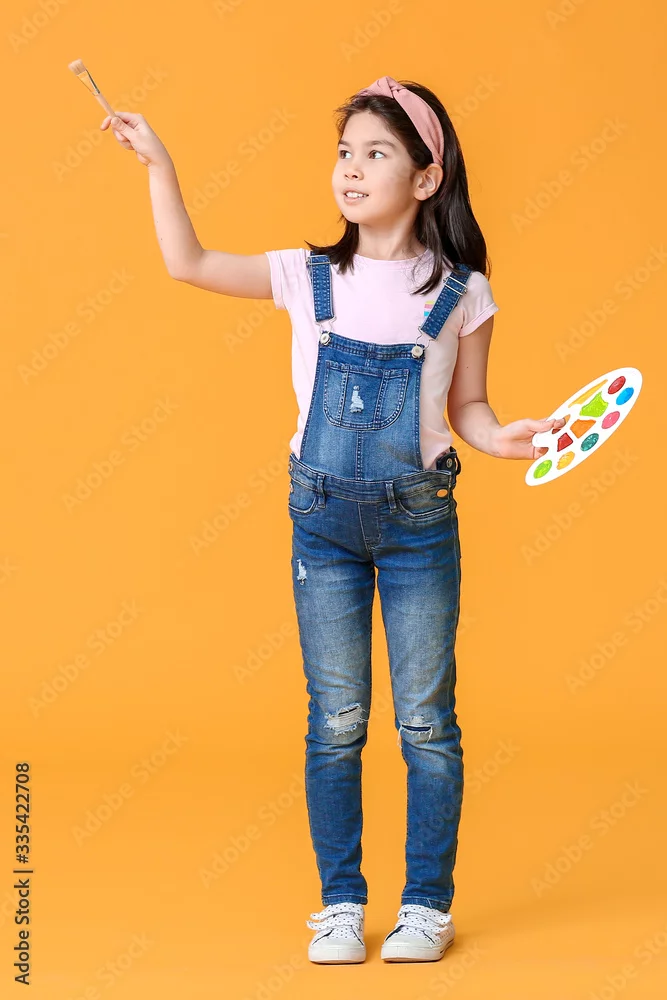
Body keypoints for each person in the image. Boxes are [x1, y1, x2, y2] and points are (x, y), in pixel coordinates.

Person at [101, 75, 564, 966]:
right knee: (337, 721)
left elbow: (467, 407)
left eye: (374, 153)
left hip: (419, 523)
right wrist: (158, 163)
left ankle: (425, 905)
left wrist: (501, 438)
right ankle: (341, 905)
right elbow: (187, 263)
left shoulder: (462, 291)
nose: (350, 169)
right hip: (321, 525)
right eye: (344, 152)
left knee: (425, 723)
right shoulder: (303, 274)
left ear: (425, 178)